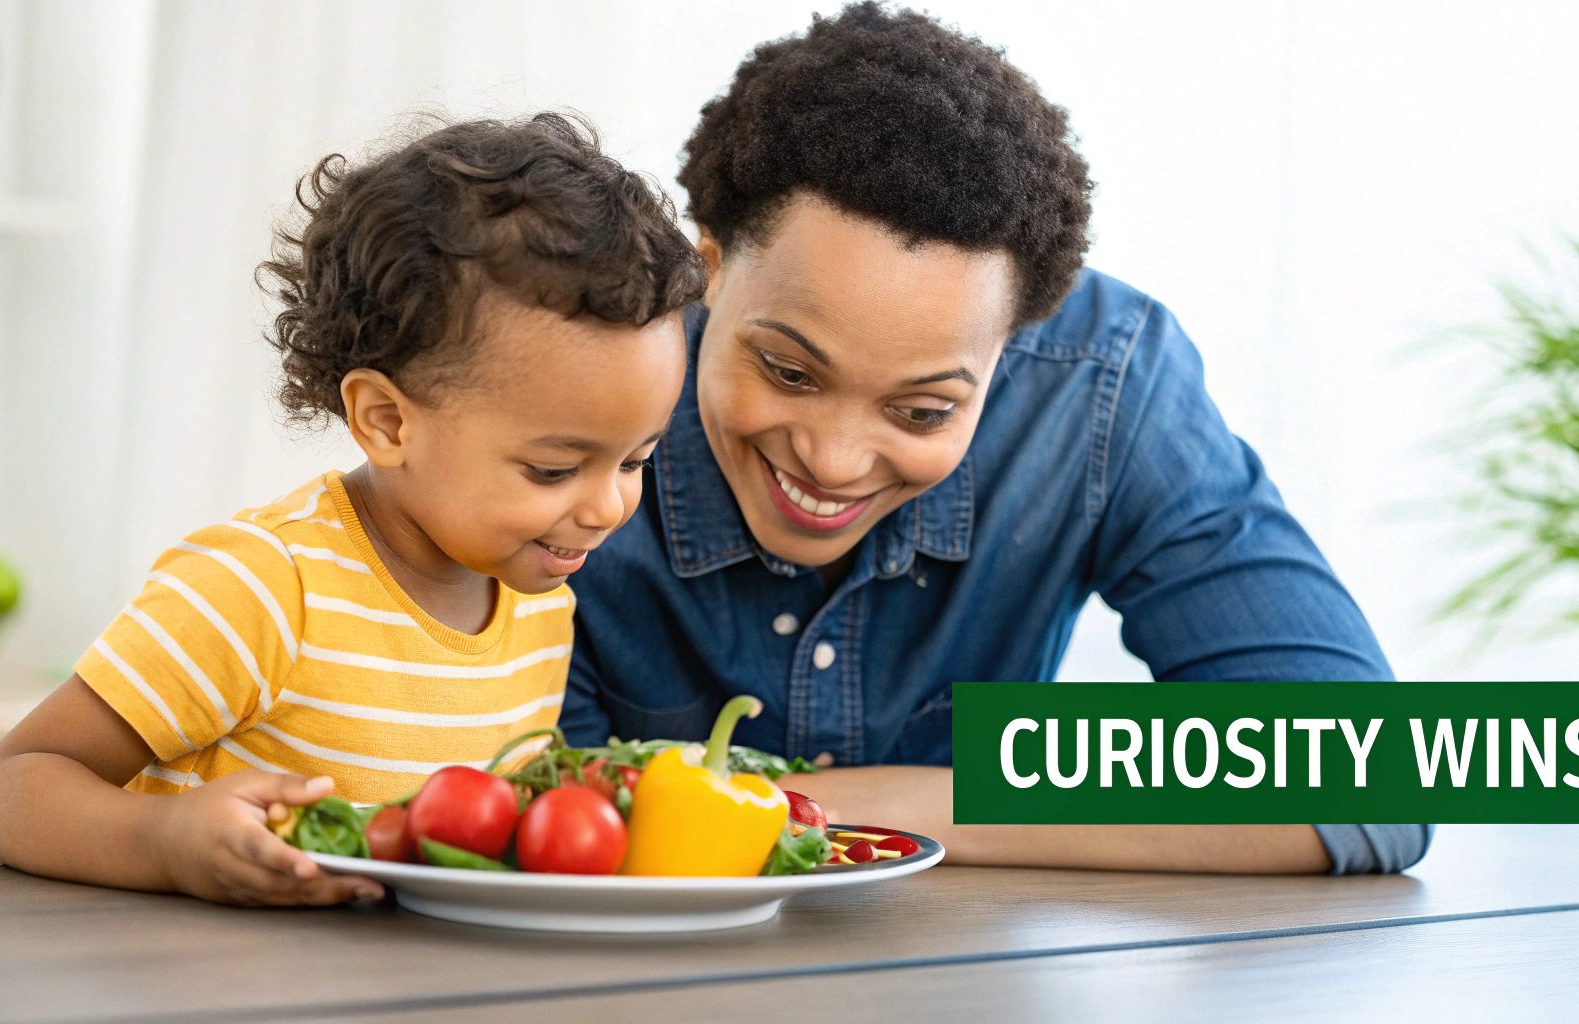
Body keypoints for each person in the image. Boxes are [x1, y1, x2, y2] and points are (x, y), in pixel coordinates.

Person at [558, 4, 1431, 874]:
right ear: (709, 267)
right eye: (789, 372)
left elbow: (1372, 776)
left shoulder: (1099, 383)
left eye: (922, 411)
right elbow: (513, 805)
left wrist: (847, 805)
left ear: (1012, 343)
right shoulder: (567, 376)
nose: (832, 459)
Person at [0, 114, 704, 904]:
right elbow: (8, 789)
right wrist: (166, 842)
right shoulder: (261, 588)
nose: (607, 506)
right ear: (386, 420)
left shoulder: (538, 607)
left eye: (637, 459)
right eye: (554, 468)